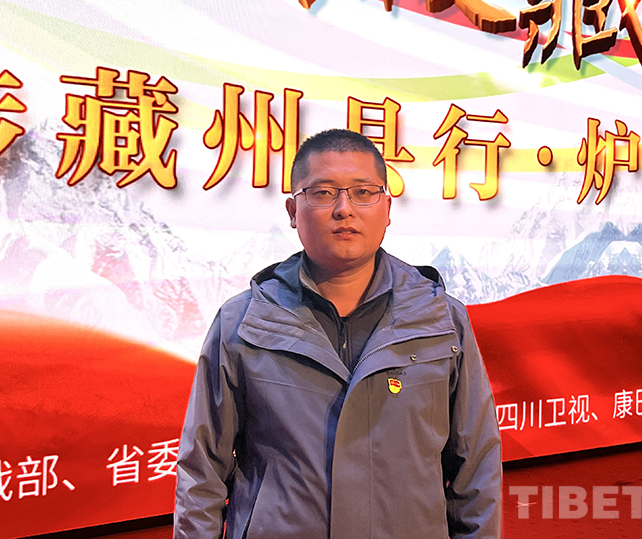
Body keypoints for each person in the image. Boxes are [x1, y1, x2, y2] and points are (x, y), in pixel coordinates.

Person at [174, 129, 501, 539]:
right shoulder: (243, 322)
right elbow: (202, 470)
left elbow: (476, 467)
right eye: (324, 193)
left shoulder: (440, 319)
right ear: (293, 211)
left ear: (387, 207)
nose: (344, 209)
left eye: (363, 192)